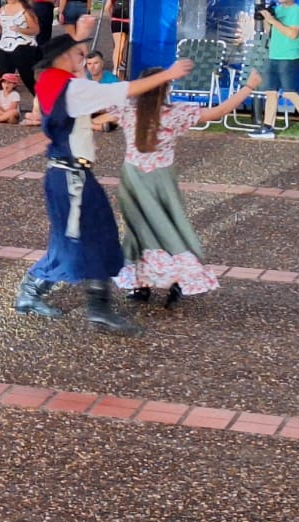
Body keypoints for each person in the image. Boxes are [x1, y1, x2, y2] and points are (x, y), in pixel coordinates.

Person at [12, 17, 192, 335]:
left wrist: (78, 38)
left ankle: (74, 302)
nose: (83, 59)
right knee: (80, 239)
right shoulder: (72, 89)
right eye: (78, 55)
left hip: (72, 174)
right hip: (70, 177)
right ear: (63, 59)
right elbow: (123, 90)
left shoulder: (54, 82)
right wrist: (169, 74)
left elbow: (77, 76)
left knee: (91, 235)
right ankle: (86, 306)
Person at [96, 68, 262, 309]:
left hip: (133, 177)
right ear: (166, 89)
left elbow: (96, 110)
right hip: (162, 179)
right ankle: (173, 280)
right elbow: (218, 112)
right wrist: (249, 86)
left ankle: (141, 284)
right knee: (170, 228)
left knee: (137, 230)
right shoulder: (176, 112)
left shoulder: (127, 109)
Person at [249, 0, 299, 141]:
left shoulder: (297, 11)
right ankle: (267, 127)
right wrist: (267, 19)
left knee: (289, 92)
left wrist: (273, 20)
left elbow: (293, 34)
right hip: (273, 55)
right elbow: (269, 33)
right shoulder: (277, 10)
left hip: (288, 57)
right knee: (271, 93)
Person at [0, 0, 40, 117]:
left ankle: (41, 103)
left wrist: (20, 29)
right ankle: (7, 108)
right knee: (5, 78)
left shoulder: (26, 10)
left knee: (27, 76)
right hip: (4, 45)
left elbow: (36, 30)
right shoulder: (2, 9)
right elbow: (2, 29)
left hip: (23, 45)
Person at [108, 0, 132, 80]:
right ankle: (116, 67)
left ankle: (116, 67)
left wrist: (112, 17)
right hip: (128, 21)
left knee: (118, 45)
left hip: (116, 21)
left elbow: (107, 7)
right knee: (122, 46)